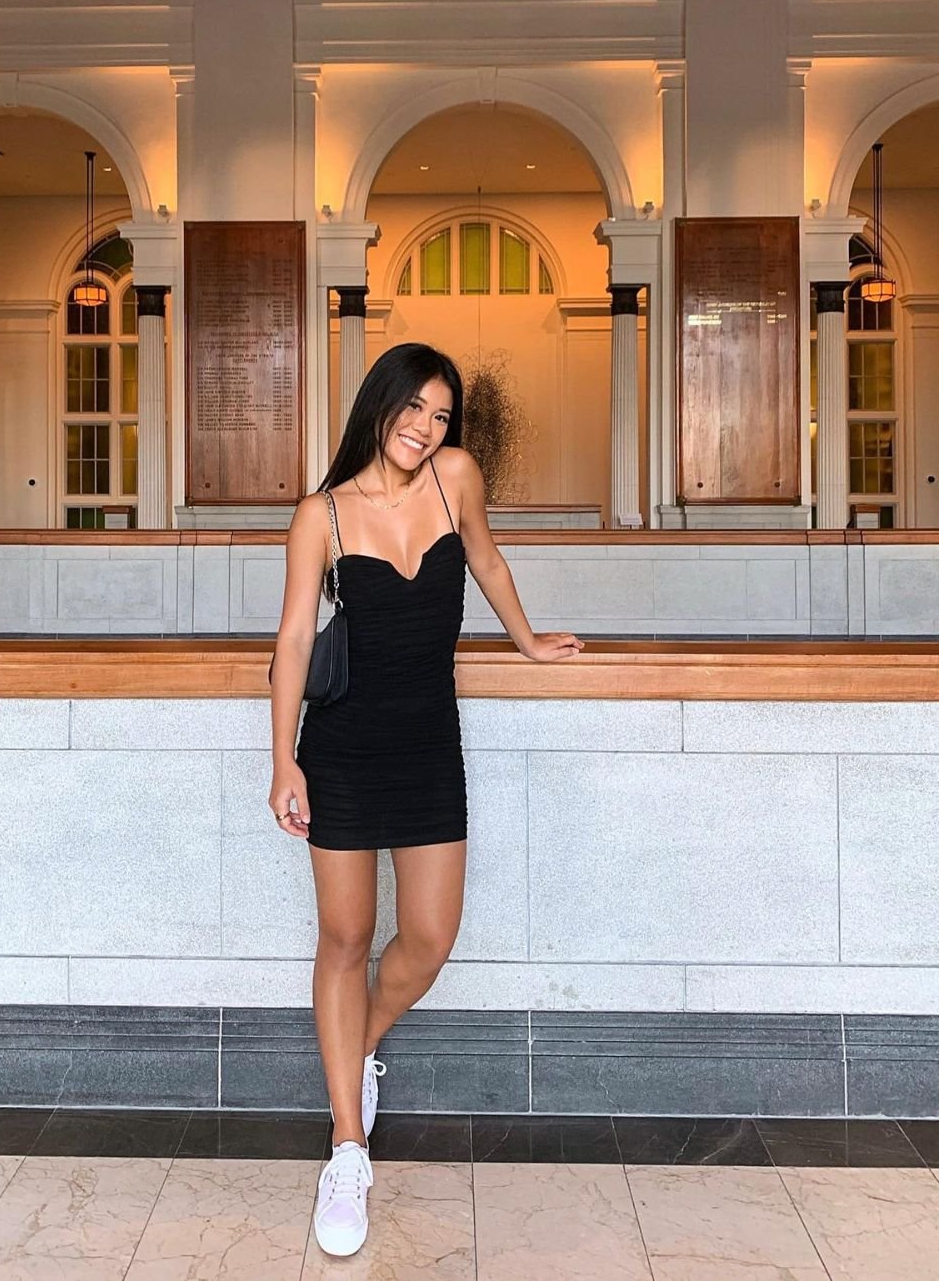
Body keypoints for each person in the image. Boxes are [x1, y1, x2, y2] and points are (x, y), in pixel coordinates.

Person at [268, 341, 584, 1257]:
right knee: (345, 938)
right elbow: (293, 641)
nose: (426, 428)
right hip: (341, 751)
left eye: (441, 415)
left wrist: (527, 640)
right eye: (414, 408)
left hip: (428, 748)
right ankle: (347, 1149)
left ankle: (354, 1049)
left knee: (431, 936)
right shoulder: (322, 515)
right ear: (381, 404)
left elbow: (487, 561)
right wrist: (283, 761)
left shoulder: (456, 478)